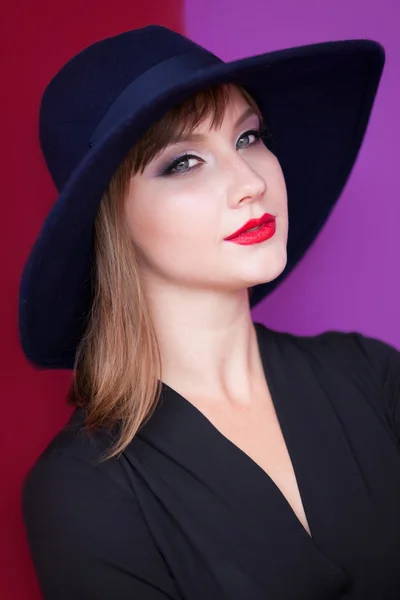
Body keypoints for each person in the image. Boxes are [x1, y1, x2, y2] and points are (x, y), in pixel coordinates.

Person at [18, 24, 400, 600]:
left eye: (249, 138)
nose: (250, 182)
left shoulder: (370, 374)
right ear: (110, 221)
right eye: (183, 162)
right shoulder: (80, 488)